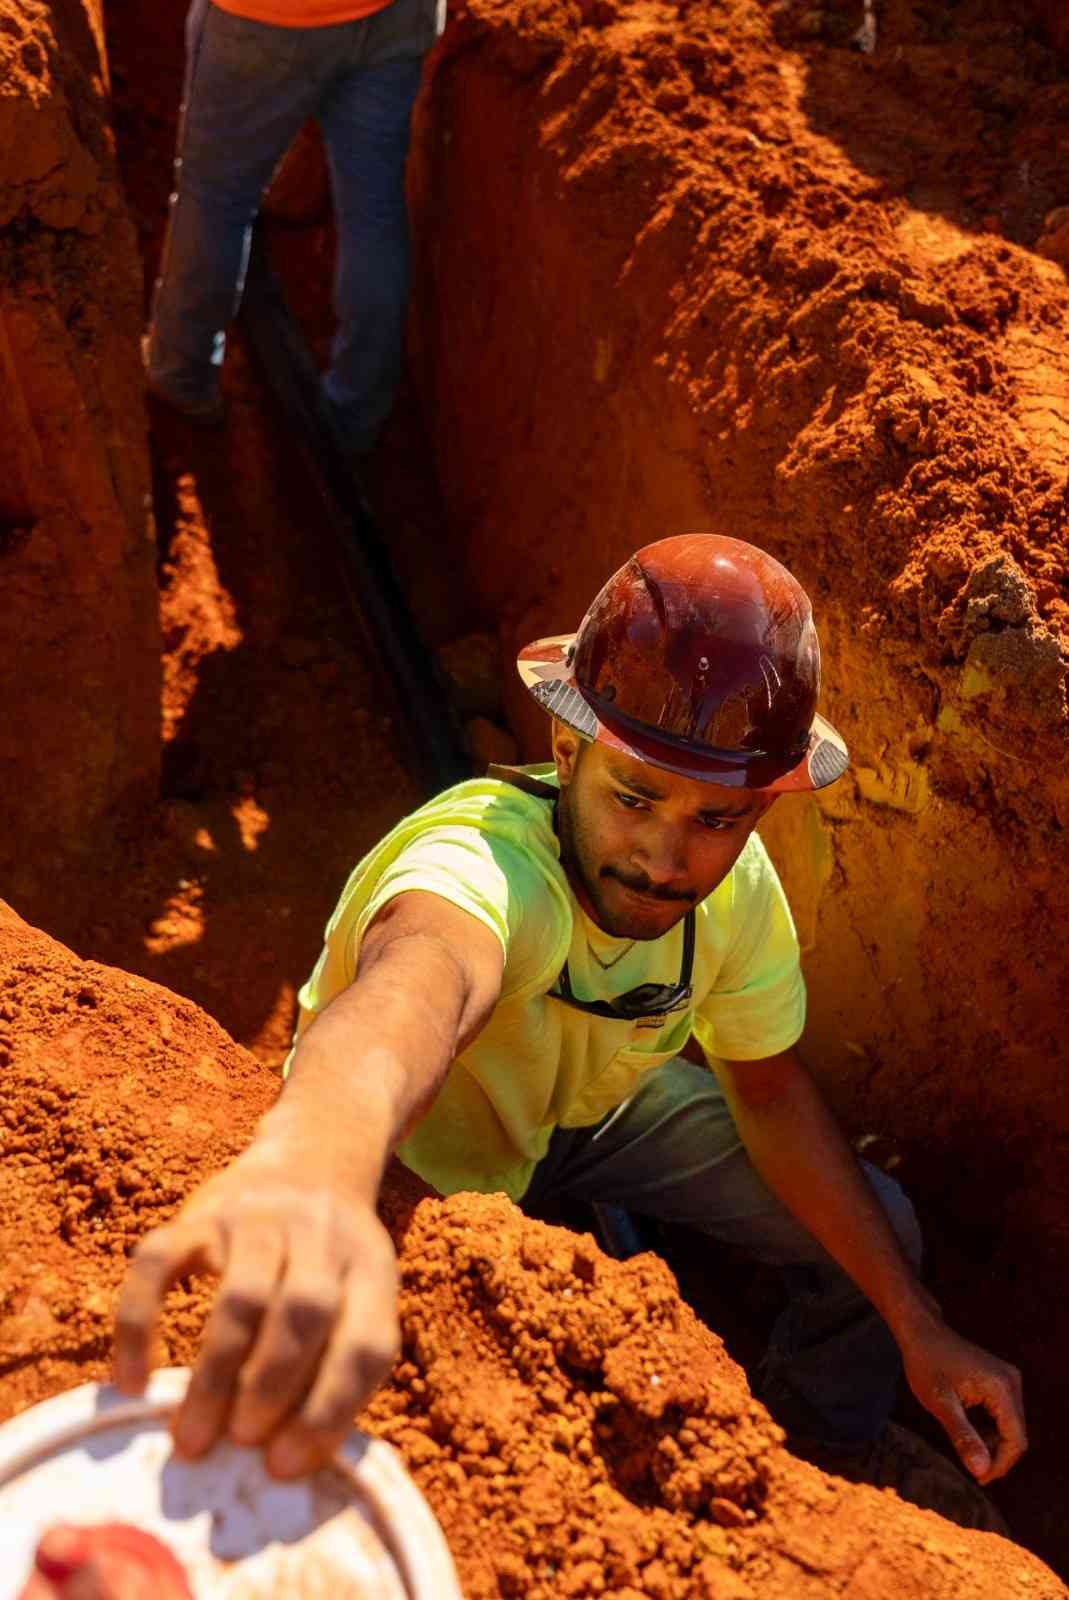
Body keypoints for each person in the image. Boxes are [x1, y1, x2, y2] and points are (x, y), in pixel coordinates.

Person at [114, 534, 1026, 1528]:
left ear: (762, 808)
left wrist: (913, 1320)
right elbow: (415, 987)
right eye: (632, 796)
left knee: (880, 1232)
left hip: (582, 1117)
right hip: (416, 1158)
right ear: (565, 751)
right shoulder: (484, 863)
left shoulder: (735, 898)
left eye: (715, 819)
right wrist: (314, 1164)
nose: (667, 856)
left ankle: (820, 1464)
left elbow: (764, 1088)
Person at [142, 0, 443, 437]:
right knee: (372, 212)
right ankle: (358, 408)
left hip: (263, 20)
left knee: (216, 199)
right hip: (395, 17)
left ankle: (182, 373)